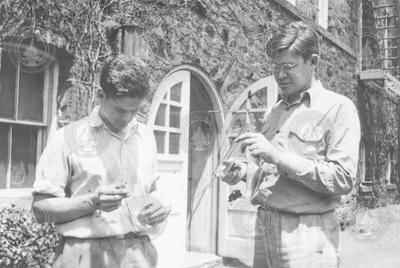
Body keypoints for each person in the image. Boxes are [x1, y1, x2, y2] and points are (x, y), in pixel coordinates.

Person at [221, 21, 360, 267]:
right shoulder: (276, 110)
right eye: (276, 66)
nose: (280, 75)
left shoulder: (339, 108)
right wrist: (244, 173)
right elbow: (274, 173)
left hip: (308, 234)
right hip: (266, 225)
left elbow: (343, 178)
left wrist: (277, 156)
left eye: (288, 66)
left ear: (313, 62)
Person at [32, 55, 171, 268]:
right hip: (85, 255)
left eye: (135, 110)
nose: (127, 118)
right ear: (100, 95)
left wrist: (160, 204)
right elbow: (40, 210)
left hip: (138, 254)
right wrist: (92, 201)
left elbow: (151, 190)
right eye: (120, 110)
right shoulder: (66, 138)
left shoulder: (146, 138)